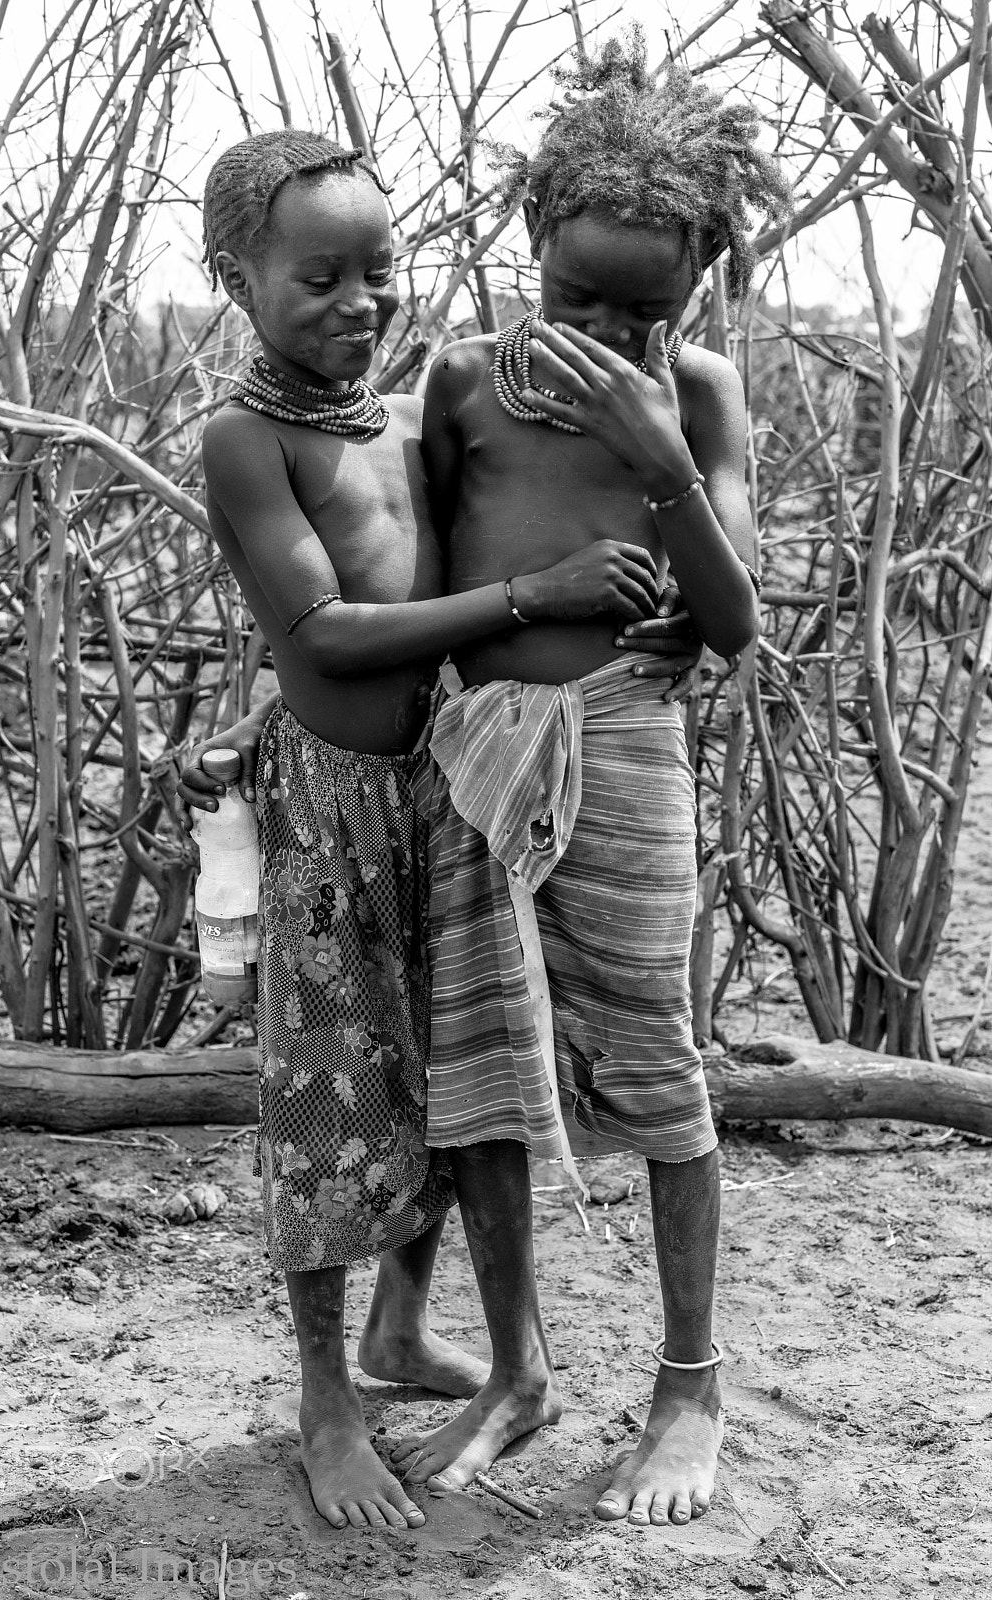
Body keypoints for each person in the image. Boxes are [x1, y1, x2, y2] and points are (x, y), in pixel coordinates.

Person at [188, 126, 696, 1534]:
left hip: (448, 788)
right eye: (319, 280)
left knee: (447, 1087)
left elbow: (452, 554)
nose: (359, 303)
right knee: (329, 1093)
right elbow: (329, 628)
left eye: (380, 272)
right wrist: (538, 598)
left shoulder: (410, 408)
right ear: (235, 278)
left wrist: (631, 607)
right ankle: (326, 1403)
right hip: (332, 814)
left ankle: (405, 1338)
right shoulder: (246, 435)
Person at [385, 36, 791, 1529]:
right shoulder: (457, 387)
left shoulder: (697, 392)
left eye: (649, 307)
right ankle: (517, 1369)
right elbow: (424, 587)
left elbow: (735, 624)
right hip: (478, 754)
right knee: (481, 1074)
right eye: (580, 300)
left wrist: (658, 452)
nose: (613, 331)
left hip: (627, 748)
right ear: (528, 248)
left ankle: (690, 1384)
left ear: (698, 287)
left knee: (658, 1063)